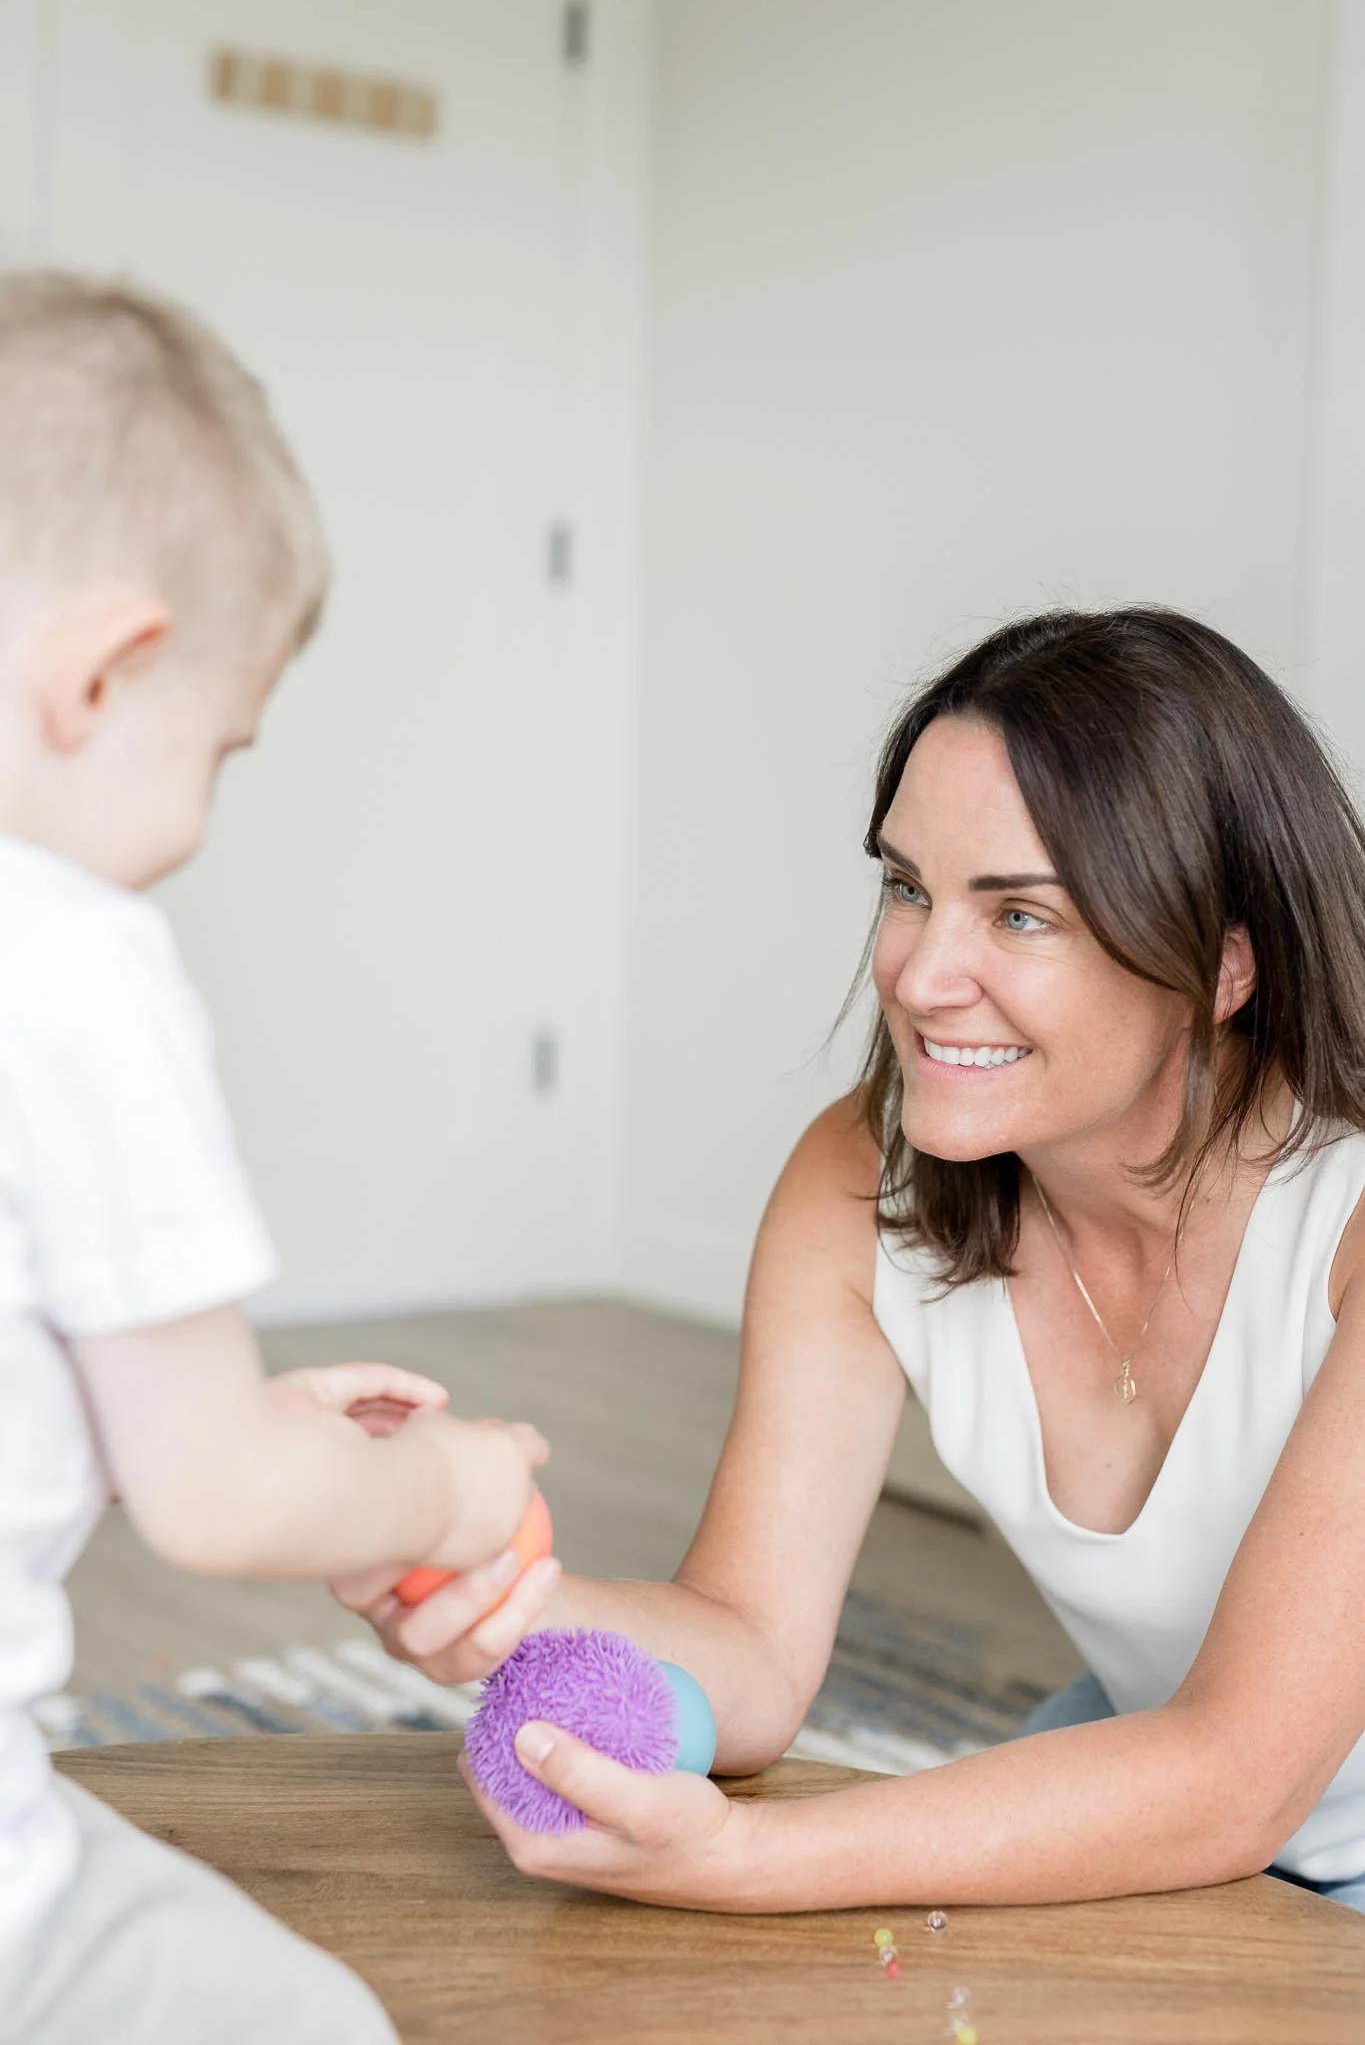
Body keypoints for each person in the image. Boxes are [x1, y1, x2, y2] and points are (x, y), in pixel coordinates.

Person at [343, 606, 1365, 1915]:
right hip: (1163, 1775)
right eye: (908, 888)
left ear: (1224, 967)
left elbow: (1236, 1775)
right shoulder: (862, 1179)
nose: (922, 976)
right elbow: (753, 1651)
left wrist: (743, 1861)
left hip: (1236, 1805)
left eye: (1021, 916)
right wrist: (478, 1580)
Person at [0, 273, 548, 2044]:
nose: (195, 825)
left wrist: (210, 1405)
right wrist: (445, 1491)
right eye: (218, 754)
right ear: (104, 673)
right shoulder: (68, 961)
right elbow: (219, 1501)